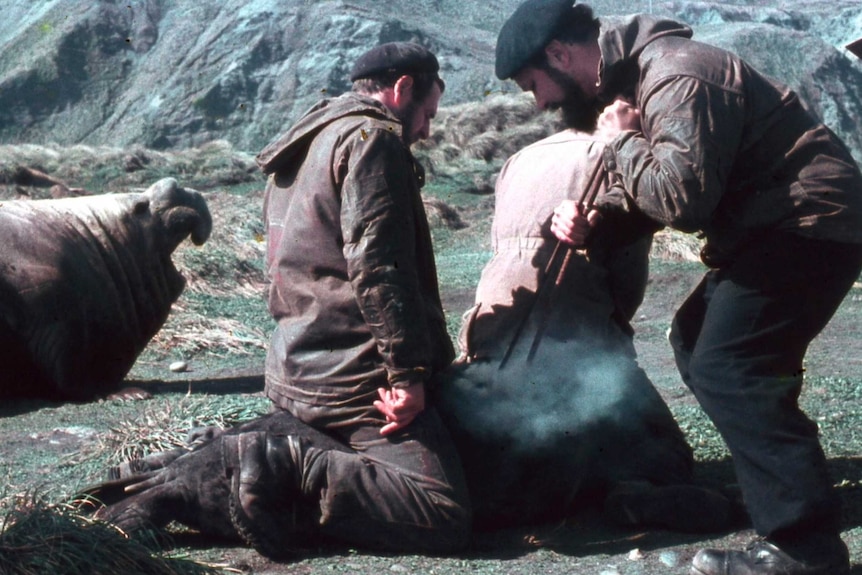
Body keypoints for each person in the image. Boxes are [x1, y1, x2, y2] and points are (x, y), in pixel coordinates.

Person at [494, 1, 862, 574]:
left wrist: (619, 141)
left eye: (532, 84)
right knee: (698, 342)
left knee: (730, 364)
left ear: (560, 55)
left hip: (811, 222)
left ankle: (806, 551)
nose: (538, 101)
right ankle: (784, 492)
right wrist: (596, 222)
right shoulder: (636, 83)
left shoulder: (675, 74)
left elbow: (683, 201)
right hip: (776, 227)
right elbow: (653, 194)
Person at [83, 42, 471, 558]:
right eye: (426, 114)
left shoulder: (305, 144)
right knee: (440, 512)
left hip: (296, 373)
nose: (424, 130)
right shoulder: (371, 139)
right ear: (401, 89)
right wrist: (407, 376)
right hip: (355, 382)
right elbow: (379, 269)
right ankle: (273, 462)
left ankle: (201, 461)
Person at [435, 116, 734, 533]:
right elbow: (623, 286)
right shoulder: (620, 159)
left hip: (489, 340)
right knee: (667, 455)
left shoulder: (520, 158)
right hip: (575, 347)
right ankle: (621, 491)